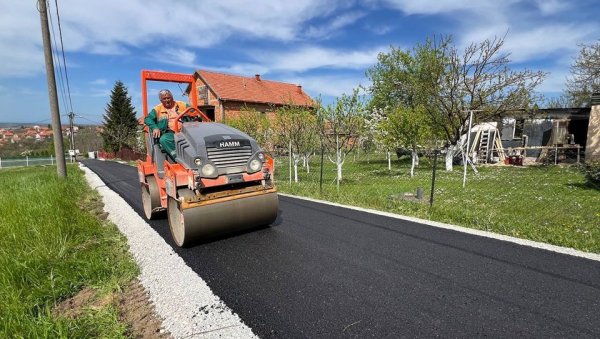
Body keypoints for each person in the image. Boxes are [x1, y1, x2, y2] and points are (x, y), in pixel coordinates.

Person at [144, 89, 189, 160]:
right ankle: (179, 159)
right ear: (161, 100)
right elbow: (148, 119)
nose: (167, 100)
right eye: (164, 99)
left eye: (168, 98)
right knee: (164, 139)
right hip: (170, 133)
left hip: (185, 131)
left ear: (172, 97)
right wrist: (155, 127)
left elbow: (194, 112)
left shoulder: (182, 104)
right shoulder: (157, 109)